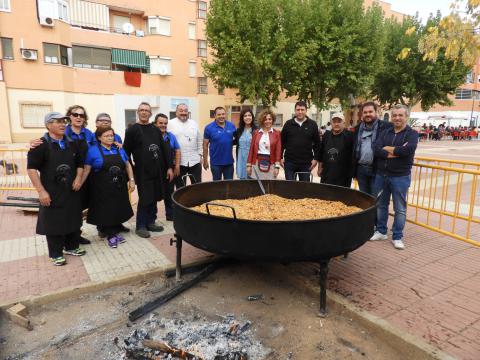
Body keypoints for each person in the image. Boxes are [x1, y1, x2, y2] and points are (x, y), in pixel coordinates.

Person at [27, 112, 86, 266]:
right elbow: (31, 169)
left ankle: (72, 246)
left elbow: (80, 163)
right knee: (54, 222)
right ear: (48, 125)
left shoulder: (72, 143)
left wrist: (78, 178)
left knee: (73, 218)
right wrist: (41, 191)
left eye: (64, 121)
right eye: (57, 121)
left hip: (71, 190)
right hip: (52, 191)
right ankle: (56, 253)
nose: (62, 124)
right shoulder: (40, 145)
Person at [370, 104, 419, 250]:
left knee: (400, 208)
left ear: (406, 116)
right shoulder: (385, 132)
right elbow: (376, 149)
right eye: (395, 115)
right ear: (391, 117)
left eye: (400, 115)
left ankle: (397, 236)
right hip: (381, 175)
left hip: (400, 177)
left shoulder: (412, 134)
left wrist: (389, 149)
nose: (397, 118)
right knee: (380, 205)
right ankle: (381, 231)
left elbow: (408, 150)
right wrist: (394, 152)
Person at [123, 102, 174, 238]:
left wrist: (169, 167)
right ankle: (140, 225)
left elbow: (165, 149)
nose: (144, 112)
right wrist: (131, 172)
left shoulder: (155, 129)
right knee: (145, 198)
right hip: (142, 171)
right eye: (141, 110)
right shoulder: (132, 130)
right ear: (138, 112)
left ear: (150, 113)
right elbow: (125, 153)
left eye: (147, 110)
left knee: (155, 196)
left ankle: (151, 222)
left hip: (158, 170)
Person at [80, 127, 134, 248]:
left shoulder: (119, 149)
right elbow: (87, 169)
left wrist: (131, 180)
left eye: (111, 135)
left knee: (118, 207)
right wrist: (79, 183)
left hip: (119, 185)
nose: (110, 138)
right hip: (101, 188)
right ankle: (111, 235)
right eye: (106, 136)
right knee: (106, 210)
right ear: (99, 138)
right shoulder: (92, 151)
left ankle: (113, 230)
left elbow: (127, 165)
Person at [353, 101, 391, 195]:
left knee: (377, 200)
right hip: (361, 170)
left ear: (376, 112)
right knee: (365, 199)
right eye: (365, 112)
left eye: (370, 112)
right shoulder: (358, 128)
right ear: (362, 114)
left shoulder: (385, 127)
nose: (368, 114)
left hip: (377, 170)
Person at [280, 101, 320, 181]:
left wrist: (315, 159)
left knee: (304, 188)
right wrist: (280, 157)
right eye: (298, 110)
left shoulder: (312, 125)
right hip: (289, 162)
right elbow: (282, 142)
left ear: (306, 110)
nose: (300, 112)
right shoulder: (288, 124)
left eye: (302, 109)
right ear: (295, 111)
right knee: (290, 187)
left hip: (306, 163)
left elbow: (317, 144)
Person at [153, 113, 181, 221]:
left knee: (169, 192)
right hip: (155, 170)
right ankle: (153, 218)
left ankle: (170, 215)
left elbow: (177, 150)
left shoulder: (171, 136)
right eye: (160, 123)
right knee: (154, 194)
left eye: (165, 123)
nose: (163, 125)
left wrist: (177, 165)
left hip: (169, 169)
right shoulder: (152, 136)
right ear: (155, 123)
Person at [168, 103, 203, 187]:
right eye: (181, 110)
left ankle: (196, 200)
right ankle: (181, 201)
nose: (183, 112)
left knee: (197, 186)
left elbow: (199, 140)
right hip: (178, 163)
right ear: (176, 112)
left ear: (188, 112)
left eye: (185, 111)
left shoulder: (194, 123)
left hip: (194, 161)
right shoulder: (170, 124)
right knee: (180, 187)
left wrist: (200, 155)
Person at [317, 112, 354, 187]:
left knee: (341, 197)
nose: (336, 124)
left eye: (339, 121)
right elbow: (321, 153)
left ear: (343, 123)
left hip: (343, 175)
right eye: (334, 122)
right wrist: (320, 168)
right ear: (331, 123)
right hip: (327, 173)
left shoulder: (350, 136)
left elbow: (353, 156)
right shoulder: (326, 135)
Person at [246, 109, 281, 180]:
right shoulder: (256, 133)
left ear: (273, 120)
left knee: (269, 187)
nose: (268, 121)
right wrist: (249, 165)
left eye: (269, 119)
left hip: (271, 164)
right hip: (256, 162)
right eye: (265, 119)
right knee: (256, 185)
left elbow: (278, 151)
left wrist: (277, 167)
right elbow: (251, 149)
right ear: (262, 121)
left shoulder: (277, 133)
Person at [203, 106, 236, 181]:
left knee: (229, 184)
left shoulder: (232, 126)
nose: (221, 116)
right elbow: (205, 145)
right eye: (219, 114)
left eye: (223, 114)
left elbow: (237, 141)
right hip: (215, 163)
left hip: (229, 163)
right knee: (217, 185)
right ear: (215, 115)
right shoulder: (208, 128)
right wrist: (205, 160)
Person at [234, 109, 257, 179]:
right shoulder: (239, 130)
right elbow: (234, 141)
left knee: (252, 180)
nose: (247, 117)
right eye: (245, 116)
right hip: (241, 158)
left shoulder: (257, 130)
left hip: (252, 159)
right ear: (242, 118)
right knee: (242, 181)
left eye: (249, 115)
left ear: (252, 117)